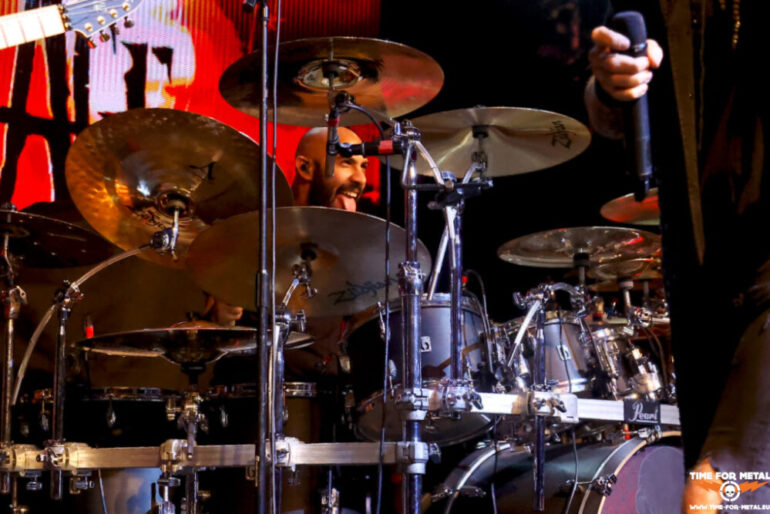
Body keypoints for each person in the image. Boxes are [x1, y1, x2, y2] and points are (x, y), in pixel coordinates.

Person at [585, 2, 770, 511]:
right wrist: (612, 83)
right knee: (747, 496)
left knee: (713, 492)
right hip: (700, 266)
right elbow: (611, 112)